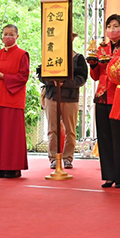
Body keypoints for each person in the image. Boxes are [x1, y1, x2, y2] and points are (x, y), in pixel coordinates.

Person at [88, 14, 120, 188]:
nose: (112, 30)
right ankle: (108, 175)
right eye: (109, 26)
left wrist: (115, 62)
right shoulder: (101, 48)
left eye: (116, 26)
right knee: (104, 138)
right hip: (102, 96)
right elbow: (95, 76)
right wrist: (94, 64)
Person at [38, 33, 88, 169]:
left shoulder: (78, 58)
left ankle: (67, 158)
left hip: (70, 98)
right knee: (52, 129)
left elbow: (82, 79)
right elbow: (41, 74)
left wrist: (64, 83)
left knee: (70, 130)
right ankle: (53, 158)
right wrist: (52, 81)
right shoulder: (51, 55)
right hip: (52, 96)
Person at [0, 24, 30, 178]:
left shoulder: (22, 54)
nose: (8, 37)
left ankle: (15, 168)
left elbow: (23, 77)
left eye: (11, 34)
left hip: (13, 98)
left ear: (17, 36)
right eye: (5, 34)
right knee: (0, 135)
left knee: (13, 135)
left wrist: (3, 77)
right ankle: (2, 166)